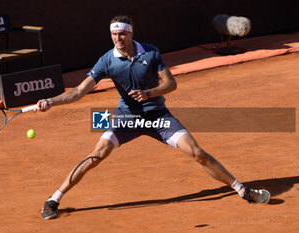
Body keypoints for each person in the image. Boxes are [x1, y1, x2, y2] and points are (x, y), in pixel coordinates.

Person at [35, 15, 270, 220]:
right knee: (95, 156)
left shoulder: (150, 51)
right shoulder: (106, 60)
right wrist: (50, 102)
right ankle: (54, 199)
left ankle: (243, 191)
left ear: (131, 34)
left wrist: (149, 93)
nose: (118, 39)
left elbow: (171, 83)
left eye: (122, 34)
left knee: (198, 153)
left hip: (158, 117)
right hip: (126, 118)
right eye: (114, 34)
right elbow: (78, 92)